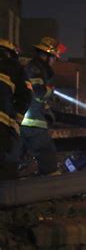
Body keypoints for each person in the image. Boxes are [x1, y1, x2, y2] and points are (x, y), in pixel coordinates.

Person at [21, 37, 66, 175]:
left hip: (26, 121)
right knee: (47, 156)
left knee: (14, 158)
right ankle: (52, 188)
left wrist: (48, 111)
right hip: (31, 124)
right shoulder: (35, 68)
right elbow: (38, 91)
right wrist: (50, 91)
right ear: (47, 55)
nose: (54, 62)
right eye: (54, 58)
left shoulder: (37, 68)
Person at [0, 39, 32, 180]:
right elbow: (26, 95)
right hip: (2, 123)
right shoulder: (14, 66)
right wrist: (16, 121)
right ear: (11, 54)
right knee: (6, 162)